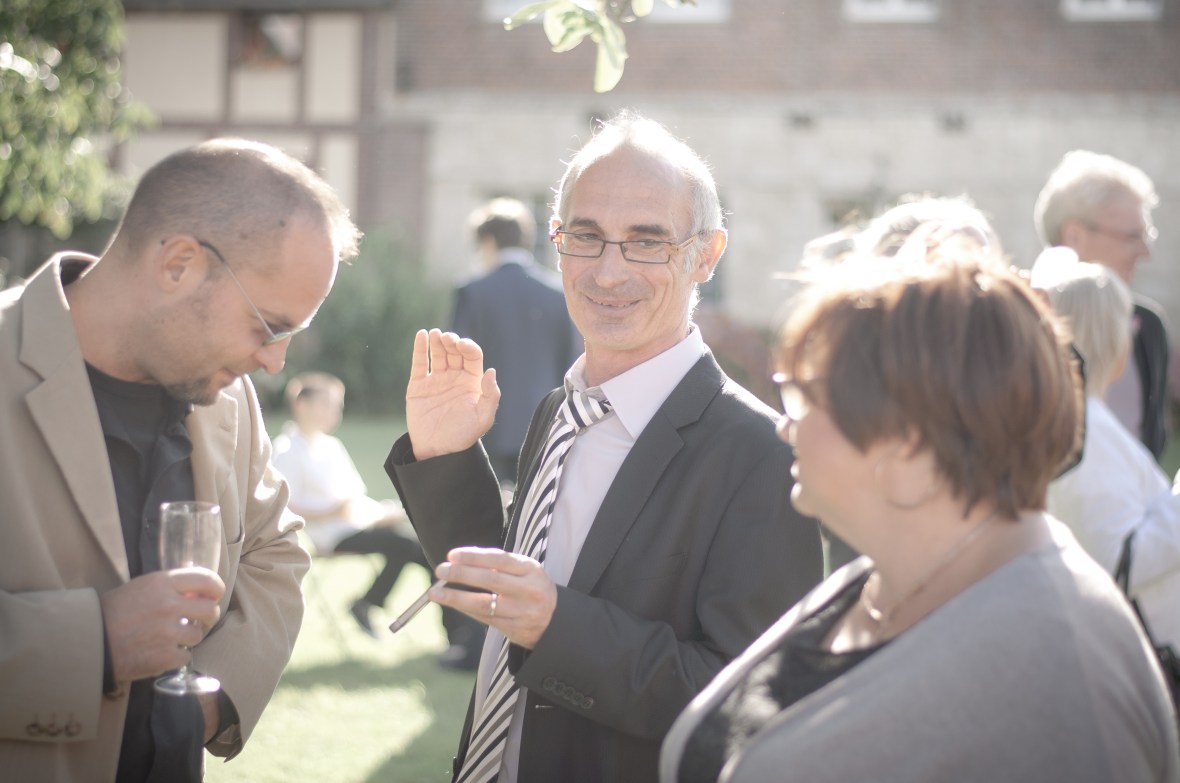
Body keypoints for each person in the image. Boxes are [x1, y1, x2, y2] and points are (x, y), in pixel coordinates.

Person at [384, 111, 825, 783]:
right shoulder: (559, 410)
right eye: (586, 237)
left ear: (706, 254)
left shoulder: (760, 453)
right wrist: (447, 460)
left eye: (646, 241)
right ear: (556, 240)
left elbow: (752, 708)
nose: (608, 272)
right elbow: (510, 592)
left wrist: (559, 628)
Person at [661, 249, 1179, 782]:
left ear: (906, 444)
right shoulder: (897, 574)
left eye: (803, 394)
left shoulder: (1062, 680)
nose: (784, 424)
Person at [0, 138, 360, 782]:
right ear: (178, 264)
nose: (274, 363)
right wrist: (95, 644)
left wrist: (216, 699)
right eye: (268, 326)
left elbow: (274, 550)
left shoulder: (230, 394)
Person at [272, 372, 483, 665]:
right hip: (330, 534)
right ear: (301, 405)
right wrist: (332, 512)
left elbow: (355, 497)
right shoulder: (287, 449)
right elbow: (286, 506)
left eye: (337, 406)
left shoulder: (332, 446)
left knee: (430, 551)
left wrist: (383, 513)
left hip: (358, 523)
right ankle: (368, 603)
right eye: (326, 405)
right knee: (406, 545)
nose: (333, 413)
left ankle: (458, 637)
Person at [1040, 260, 1180, 649]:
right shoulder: (1087, 430)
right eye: (1127, 323)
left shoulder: (1085, 419)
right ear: (1107, 333)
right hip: (1143, 647)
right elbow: (1120, 563)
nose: (1132, 334)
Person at [1034, 149, 1169, 459]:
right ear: (1074, 236)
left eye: (1146, 236)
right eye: (1132, 236)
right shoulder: (1020, 327)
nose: (1146, 252)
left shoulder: (1148, 327)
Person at [451, 197, 583, 482]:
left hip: (486, 427)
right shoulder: (557, 294)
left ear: (488, 242)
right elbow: (571, 363)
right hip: (545, 426)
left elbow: (458, 364)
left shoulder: (473, 292)